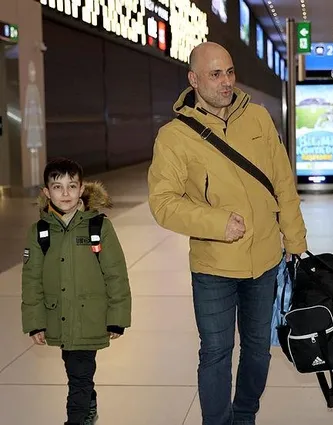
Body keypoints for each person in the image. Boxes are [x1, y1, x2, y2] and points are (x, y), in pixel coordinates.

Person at [147, 42, 307, 425]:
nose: (226, 82)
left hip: (265, 261)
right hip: (214, 266)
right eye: (215, 74)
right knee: (216, 353)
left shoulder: (258, 118)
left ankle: (245, 415)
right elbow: (163, 203)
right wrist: (216, 223)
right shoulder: (174, 137)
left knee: (258, 350)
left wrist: (295, 240)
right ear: (193, 79)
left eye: (230, 72)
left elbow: (283, 182)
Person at [21, 158, 131, 425]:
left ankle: (77, 419)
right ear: (46, 192)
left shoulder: (99, 227)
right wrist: (35, 322)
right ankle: (89, 402)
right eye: (57, 187)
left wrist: (117, 317)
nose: (65, 193)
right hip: (58, 316)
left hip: (90, 317)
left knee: (80, 374)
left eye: (71, 186)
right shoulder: (40, 231)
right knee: (75, 371)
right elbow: (31, 279)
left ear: (82, 188)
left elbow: (116, 274)